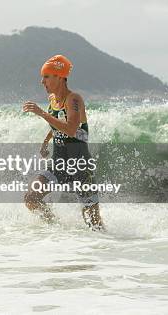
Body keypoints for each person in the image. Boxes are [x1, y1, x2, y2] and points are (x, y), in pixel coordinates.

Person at [22, 55, 104, 230]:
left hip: (80, 167)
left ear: (59, 77)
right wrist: (46, 141)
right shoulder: (53, 100)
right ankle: (58, 230)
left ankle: (105, 250)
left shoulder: (73, 99)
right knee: (31, 198)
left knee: (93, 224)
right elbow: (57, 123)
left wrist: (42, 113)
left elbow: (71, 129)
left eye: (46, 76)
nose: (42, 81)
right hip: (58, 164)